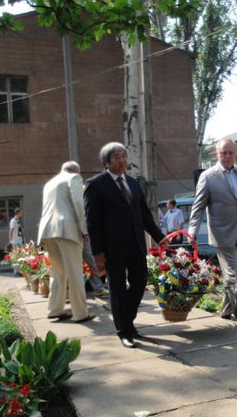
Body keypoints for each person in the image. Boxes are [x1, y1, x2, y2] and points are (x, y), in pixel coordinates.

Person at [84, 142, 166, 348]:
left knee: (140, 282)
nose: (122, 161)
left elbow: (144, 216)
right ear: (106, 162)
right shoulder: (96, 185)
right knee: (118, 289)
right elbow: (92, 222)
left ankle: (126, 319)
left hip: (137, 244)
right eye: (117, 157)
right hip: (113, 248)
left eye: (124, 156)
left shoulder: (133, 183)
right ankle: (124, 331)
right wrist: (97, 252)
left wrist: (161, 237)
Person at [188, 138, 237, 326]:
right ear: (217, 154)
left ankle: (225, 309)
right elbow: (198, 207)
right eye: (223, 153)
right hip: (221, 234)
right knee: (231, 273)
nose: (227, 156)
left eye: (230, 153)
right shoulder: (208, 176)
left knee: (236, 273)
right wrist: (192, 232)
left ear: (236, 154)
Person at [38, 161, 95, 323]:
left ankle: (55, 310)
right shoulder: (74, 178)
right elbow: (78, 204)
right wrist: (84, 230)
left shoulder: (50, 183)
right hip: (66, 229)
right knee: (75, 272)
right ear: (76, 171)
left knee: (57, 273)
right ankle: (80, 313)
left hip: (48, 231)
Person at [8, 208, 25, 276]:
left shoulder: (18, 220)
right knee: (16, 257)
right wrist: (10, 240)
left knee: (20, 256)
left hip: (20, 241)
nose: (22, 214)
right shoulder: (13, 221)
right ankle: (16, 272)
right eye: (21, 213)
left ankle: (19, 271)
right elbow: (11, 230)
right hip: (15, 241)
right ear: (17, 213)